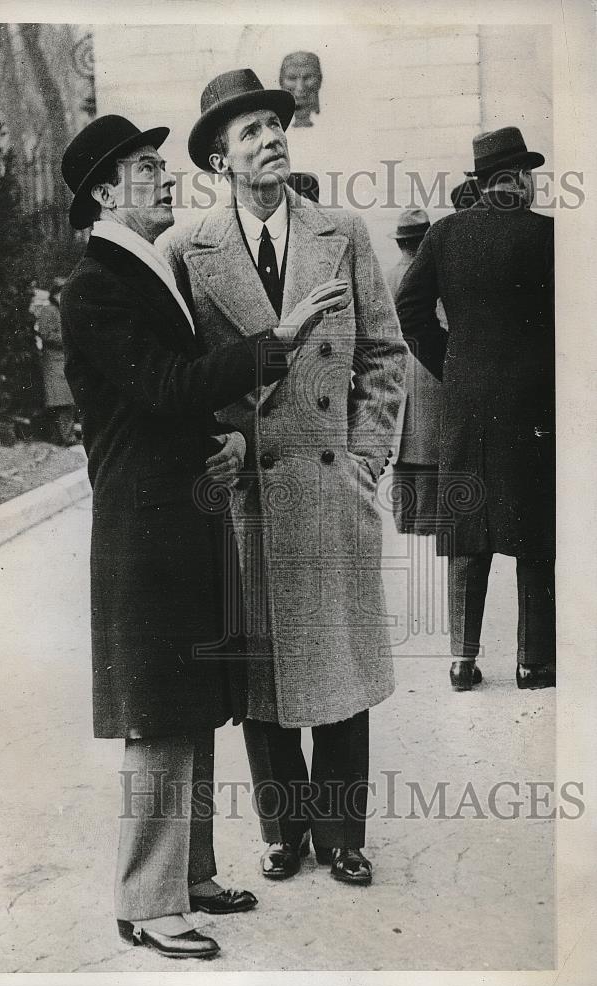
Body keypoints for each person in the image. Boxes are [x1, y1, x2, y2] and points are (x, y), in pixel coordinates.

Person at [59, 114, 348, 959]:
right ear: (106, 194)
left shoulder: (146, 271)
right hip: (142, 528)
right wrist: (279, 341)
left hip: (179, 511)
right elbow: (162, 387)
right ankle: (146, 903)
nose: (163, 176)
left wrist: (219, 442)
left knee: (190, 704)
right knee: (156, 712)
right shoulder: (97, 285)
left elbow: (170, 403)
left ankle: (190, 876)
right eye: (147, 168)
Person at [165, 69, 407, 887]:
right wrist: (221, 454)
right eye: (250, 133)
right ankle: (283, 830)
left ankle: (343, 834)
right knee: (261, 670)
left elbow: (384, 354)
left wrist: (367, 460)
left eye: (276, 123)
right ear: (219, 162)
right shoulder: (186, 253)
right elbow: (183, 378)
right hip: (249, 493)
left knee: (336, 660)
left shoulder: (343, 231)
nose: (271, 140)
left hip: (331, 485)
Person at [396, 126, 555, 693]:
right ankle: (534, 663)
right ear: (512, 178)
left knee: (467, 535)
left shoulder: (443, 236)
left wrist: (453, 367)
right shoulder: (548, 237)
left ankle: (463, 661)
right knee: (536, 536)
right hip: (535, 406)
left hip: (464, 408)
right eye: (528, 173)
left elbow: (410, 312)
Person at [386, 209, 441, 536]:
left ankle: (405, 526)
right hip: (431, 378)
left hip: (398, 380)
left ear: (400, 243)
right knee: (430, 458)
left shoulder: (385, 278)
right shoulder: (434, 278)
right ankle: (426, 529)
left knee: (402, 459)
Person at [34, 277, 77, 445]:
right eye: (61, 294)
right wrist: (68, 338)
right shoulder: (49, 311)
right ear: (54, 294)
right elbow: (46, 334)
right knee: (62, 402)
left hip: (63, 362)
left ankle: (62, 437)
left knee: (65, 401)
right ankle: (66, 437)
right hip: (54, 362)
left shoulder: (61, 310)